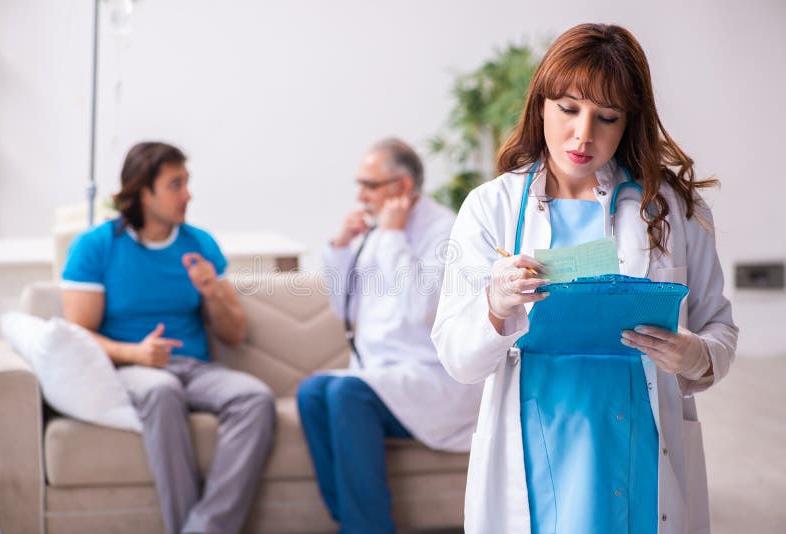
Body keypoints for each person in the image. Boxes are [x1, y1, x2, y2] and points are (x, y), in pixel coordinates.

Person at [431, 24, 738, 533]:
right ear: (541, 105)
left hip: (640, 443)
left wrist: (694, 356)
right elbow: (458, 360)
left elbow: (718, 329)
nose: (583, 134)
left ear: (628, 123)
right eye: (568, 109)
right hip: (536, 444)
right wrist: (496, 302)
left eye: (607, 117)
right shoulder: (492, 208)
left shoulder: (675, 211)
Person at [61, 142, 275, 534]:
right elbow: (78, 335)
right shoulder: (97, 247)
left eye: (186, 183)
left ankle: (203, 529)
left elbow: (235, 334)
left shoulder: (200, 244)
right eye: (176, 184)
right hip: (130, 368)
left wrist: (213, 294)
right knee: (162, 391)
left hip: (195, 366)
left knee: (255, 397)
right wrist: (135, 353)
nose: (187, 195)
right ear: (143, 192)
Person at [296, 138, 483, 533]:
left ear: (400, 186)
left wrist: (395, 237)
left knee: (346, 394)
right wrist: (342, 246)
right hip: (384, 376)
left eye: (369, 185)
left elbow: (421, 312)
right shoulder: (375, 230)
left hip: (433, 378)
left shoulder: (444, 231)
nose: (360, 195)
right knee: (312, 392)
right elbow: (343, 310)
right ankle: (351, 521)